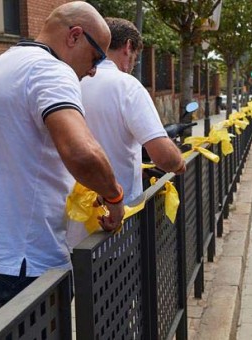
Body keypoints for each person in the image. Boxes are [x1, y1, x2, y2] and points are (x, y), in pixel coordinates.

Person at [0, 2, 126, 323]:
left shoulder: (0, 65)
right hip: (25, 258)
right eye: (96, 58)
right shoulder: (51, 70)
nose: (93, 70)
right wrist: (114, 196)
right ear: (75, 36)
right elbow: (82, 152)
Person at [66, 18, 185, 249]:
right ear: (128, 47)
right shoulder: (127, 86)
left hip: (69, 224)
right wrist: (179, 162)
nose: (132, 64)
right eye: (135, 57)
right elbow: (163, 156)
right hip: (113, 223)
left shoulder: (70, 81)